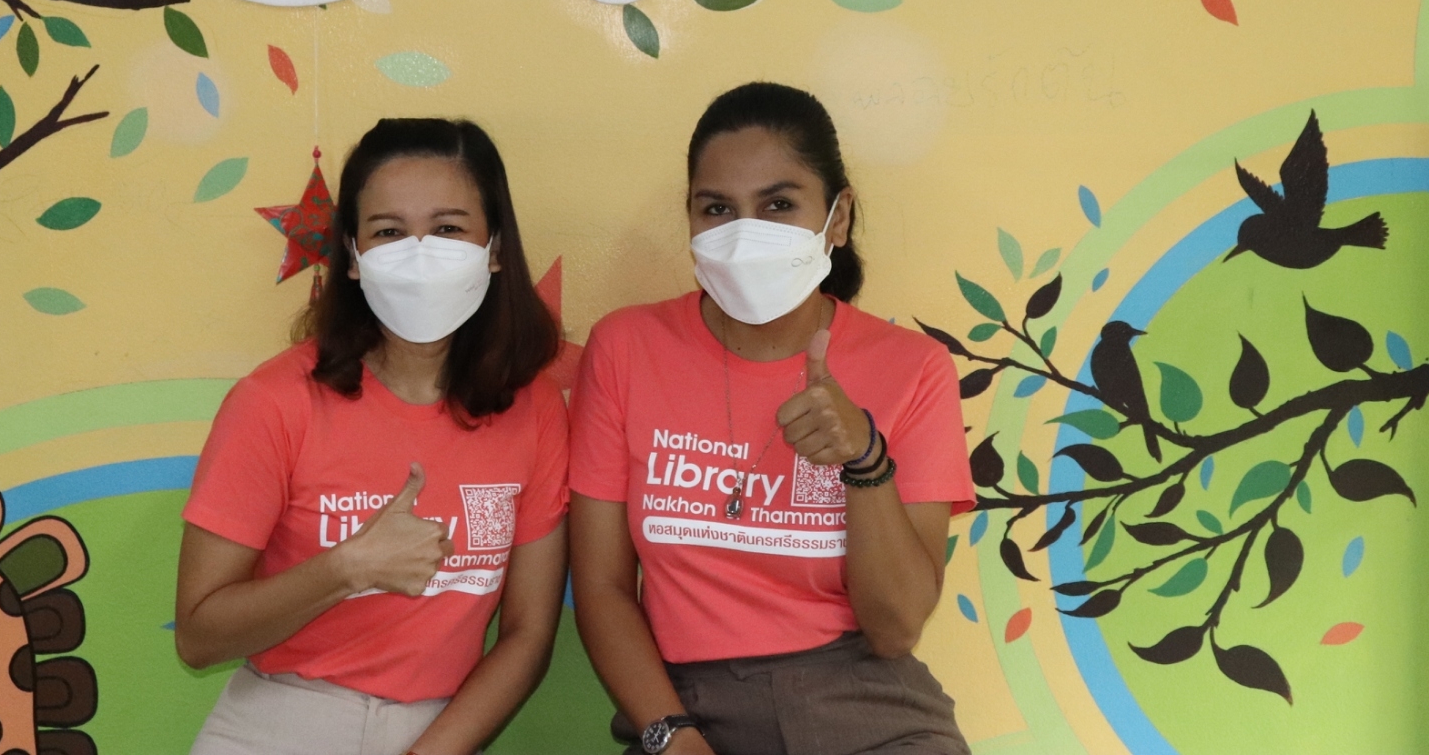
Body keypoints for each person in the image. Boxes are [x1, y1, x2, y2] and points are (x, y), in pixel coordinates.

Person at [569, 82, 973, 755]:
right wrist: (672, 737)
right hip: (686, 708)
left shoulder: (914, 368)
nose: (744, 232)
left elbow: (896, 628)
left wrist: (865, 459)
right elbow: (603, 588)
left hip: (865, 712)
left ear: (838, 217)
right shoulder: (626, 348)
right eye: (717, 208)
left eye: (779, 204)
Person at [176, 118, 568, 755]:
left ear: (495, 247)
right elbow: (198, 636)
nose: (419, 254)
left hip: (441, 731)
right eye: (388, 232)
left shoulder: (536, 409)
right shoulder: (274, 402)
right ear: (353, 258)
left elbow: (527, 634)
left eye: (449, 228)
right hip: (279, 724)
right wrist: (347, 567)